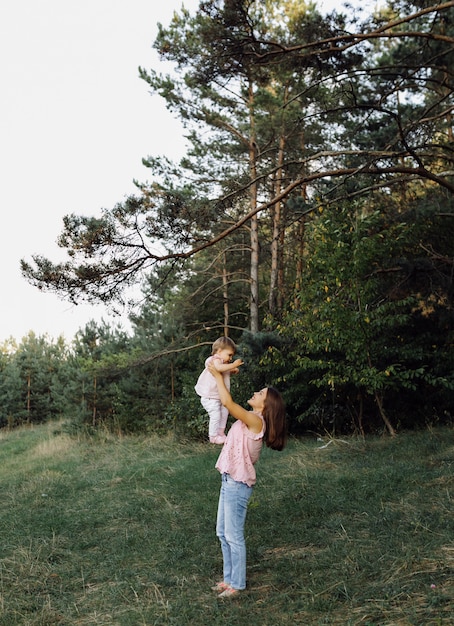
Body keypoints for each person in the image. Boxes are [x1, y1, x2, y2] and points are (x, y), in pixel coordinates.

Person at [207, 362, 287, 598]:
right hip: (228, 481)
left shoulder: (257, 422)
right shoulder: (250, 418)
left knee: (233, 535)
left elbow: (228, 404)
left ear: (267, 405)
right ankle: (228, 579)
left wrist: (217, 375)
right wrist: (223, 374)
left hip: (238, 486)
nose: (256, 393)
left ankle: (237, 584)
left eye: (260, 393)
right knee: (222, 533)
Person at [195, 337, 244, 444]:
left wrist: (231, 370)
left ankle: (220, 433)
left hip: (218, 396)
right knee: (216, 414)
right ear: (220, 351)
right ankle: (213, 436)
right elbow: (218, 369)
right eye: (229, 355)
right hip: (209, 396)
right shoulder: (214, 360)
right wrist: (233, 365)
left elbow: (223, 370)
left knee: (225, 412)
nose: (231, 358)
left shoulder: (223, 363)